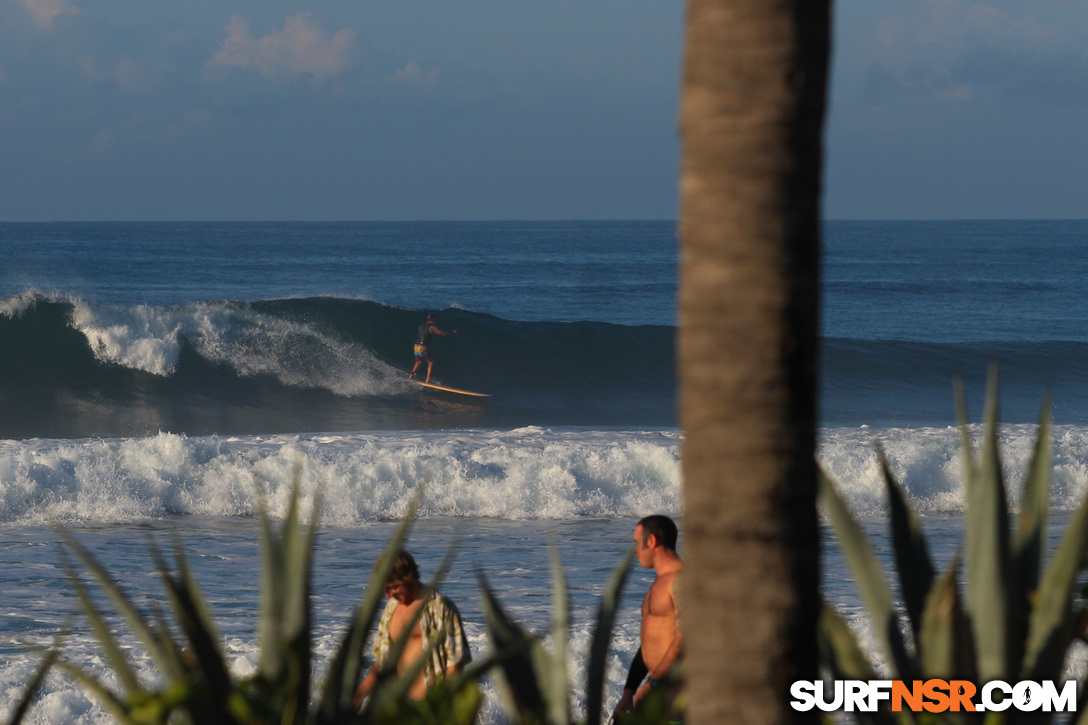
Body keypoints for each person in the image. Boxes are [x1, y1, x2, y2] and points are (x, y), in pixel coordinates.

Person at [352, 550, 471, 708]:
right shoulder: (391, 608)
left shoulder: (440, 607)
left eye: (392, 587)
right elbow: (383, 662)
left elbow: (455, 665)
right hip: (399, 709)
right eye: (385, 589)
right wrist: (359, 695)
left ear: (409, 578)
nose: (388, 595)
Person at [610, 515, 683, 721]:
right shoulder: (660, 583)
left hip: (678, 695)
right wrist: (629, 691)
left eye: (637, 543)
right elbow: (648, 644)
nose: (635, 550)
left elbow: (685, 638)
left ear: (651, 541)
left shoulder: (680, 580)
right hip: (659, 692)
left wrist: (653, 683)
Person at [408, 314, 458, 384]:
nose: (435, 321)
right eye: (435, 319)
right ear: (432, 320)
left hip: (416, 346)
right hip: (423, 347)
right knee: (431, 362)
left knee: (419, 361)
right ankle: (428, 379)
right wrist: (452, 332)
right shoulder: (432, 327)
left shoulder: (421, 326)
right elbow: (442, 333)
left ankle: (411, 376)